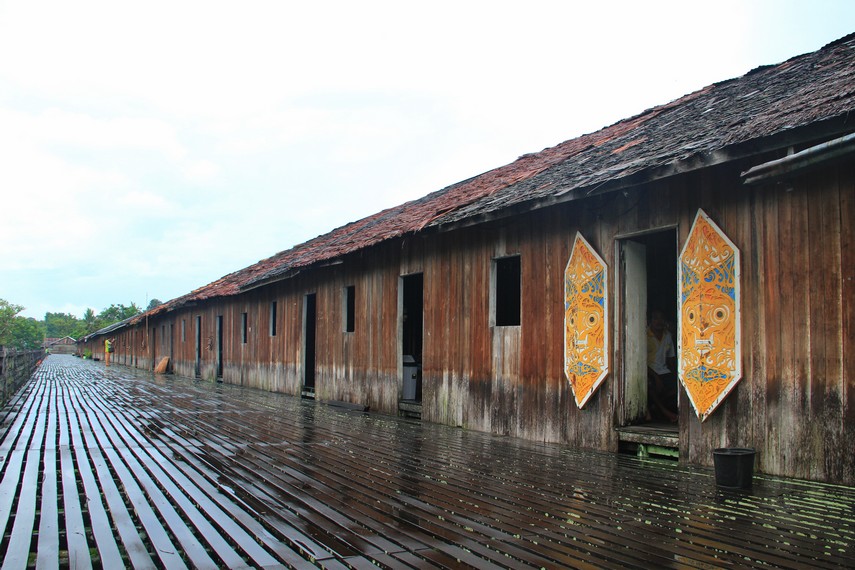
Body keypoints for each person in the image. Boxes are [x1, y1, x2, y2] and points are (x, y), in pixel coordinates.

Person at [647, 309, 678, 422]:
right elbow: (640, 361)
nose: (658, 321)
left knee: (677, 388)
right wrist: (655, 377)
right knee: (649, 385)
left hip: (664, 371)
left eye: (661, 319)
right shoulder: (644, 335)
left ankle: (656, 409)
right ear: (651, 320)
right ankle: (665, 412)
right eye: (656, 318)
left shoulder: (667, 335)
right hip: (649, 372)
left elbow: (671, 358)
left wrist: (676, 376)